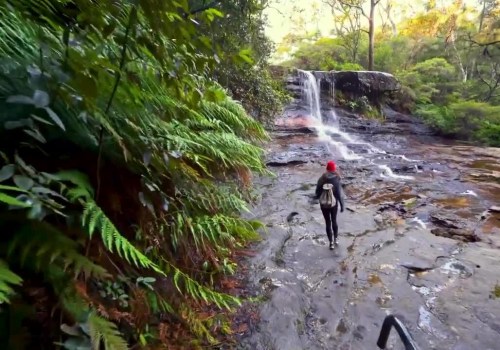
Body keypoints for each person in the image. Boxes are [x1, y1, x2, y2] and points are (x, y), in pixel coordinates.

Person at [315, 160, 345, 250]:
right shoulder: (337, 179)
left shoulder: (322, 178)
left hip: (324, 204)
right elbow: (339, 194)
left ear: (327, 168)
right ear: (334, 169)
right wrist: (342, 205)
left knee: (328, 222)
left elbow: (317, 193)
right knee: (334, 220)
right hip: (333, 204)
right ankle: (336, 239)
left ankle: (331, 243)